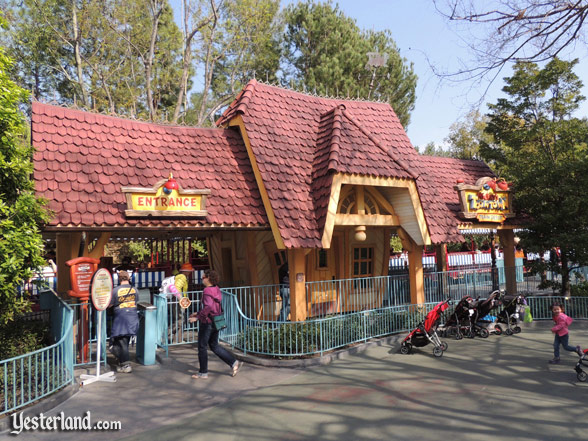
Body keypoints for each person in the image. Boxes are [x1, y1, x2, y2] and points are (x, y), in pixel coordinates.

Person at [188, 270, 240, 379]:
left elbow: (208, 307)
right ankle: (233, 362)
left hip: (207, 322)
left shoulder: (207, 291)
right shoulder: (216, 289)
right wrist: (198, 313)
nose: (202, 280)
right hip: (215, 320)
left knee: (202, 347)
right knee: (214, 345)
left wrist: (197, 317)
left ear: (208, 279)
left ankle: (203, 372)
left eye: (203, 278)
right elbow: (213, 307)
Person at [109, 271, 139, 373]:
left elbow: (110, 304)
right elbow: (136, 302)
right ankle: (121, 361)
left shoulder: (115, 290)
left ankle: (126, 364)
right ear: (128, 278)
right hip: (132, 318)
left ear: (118, 278)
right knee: (123, 340)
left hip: (121, 319)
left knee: (122, 343)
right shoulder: (134, 290)